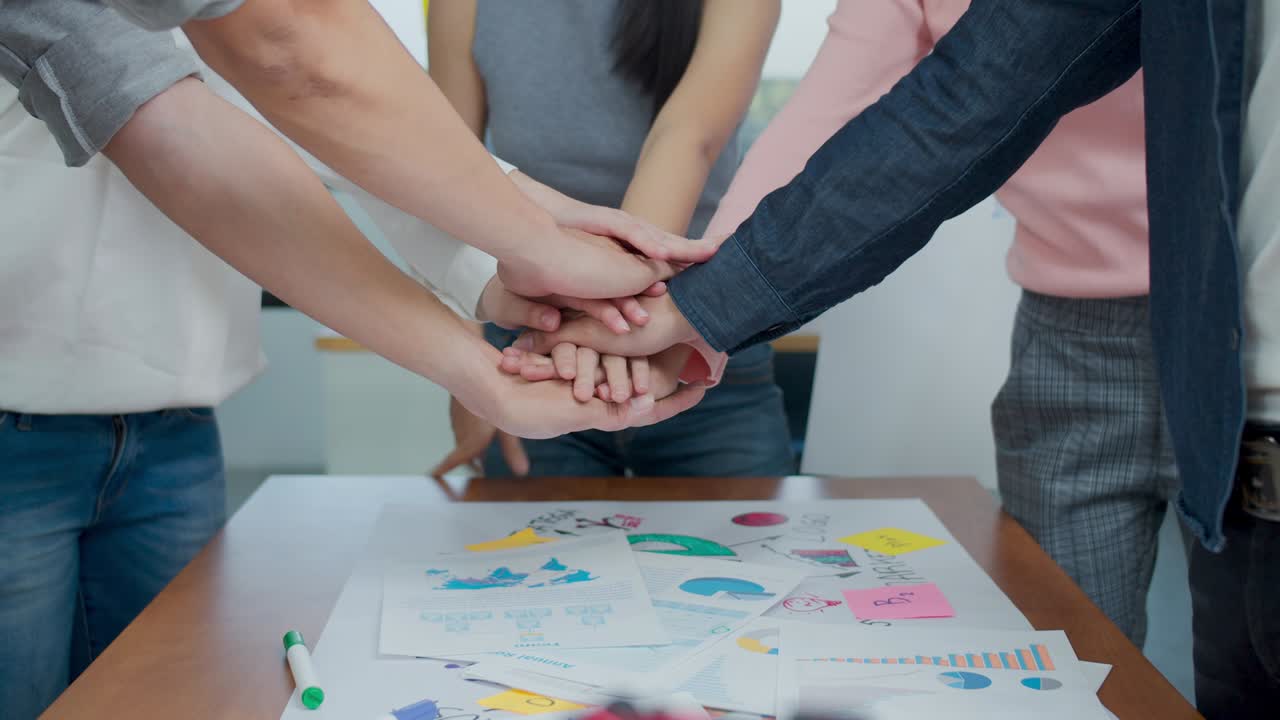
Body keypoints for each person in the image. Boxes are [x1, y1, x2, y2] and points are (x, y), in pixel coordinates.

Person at [506, 1, 1278, 715]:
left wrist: (676, 314)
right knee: (1070, 678)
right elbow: (895, 119)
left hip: (1225, 331)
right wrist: (691, 315)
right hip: (1080, 341)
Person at [0, 0, 717, 438]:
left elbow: (344, 125)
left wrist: (527, 263)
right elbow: (264, 74)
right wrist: (543, 256)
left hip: (177, 417)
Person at [696, 0, 1162, 647]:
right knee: (1075, 655)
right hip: (1070, 338)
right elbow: (817, 123)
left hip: (1239, 322)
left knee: (1246, 655)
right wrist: (700, 312)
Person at [427, 0, 793, 478]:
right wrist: (468, 368)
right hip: (533, 345)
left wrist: (612, 321)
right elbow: (445, 172)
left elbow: (689, 137)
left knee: (745, 551)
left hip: (698, 336)